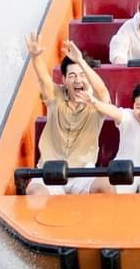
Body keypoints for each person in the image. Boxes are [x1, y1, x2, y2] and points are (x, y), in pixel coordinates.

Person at [24, 32, 114, 195]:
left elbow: (102, 91)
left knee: (106, 186)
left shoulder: (96, 101)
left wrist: (80, 60)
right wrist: (35, 57)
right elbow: (44, 80)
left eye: (82, 76)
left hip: (82, 174)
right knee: (35, 193)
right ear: (64, 80)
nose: (78, 81)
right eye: (72, 76)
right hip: (50, 171)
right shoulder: (56, 95)